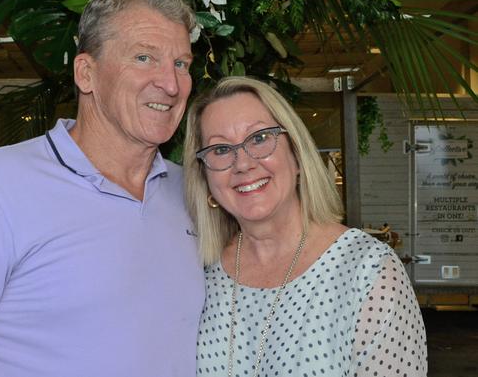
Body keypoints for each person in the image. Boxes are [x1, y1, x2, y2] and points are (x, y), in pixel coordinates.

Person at [0, 0, 205, 377]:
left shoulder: (189, 192)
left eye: (181, 63)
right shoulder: (0, 186)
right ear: (86, 73)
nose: (172, 83)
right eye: (144, 58)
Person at [183, 76, 427, 377]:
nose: (243, 164)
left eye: (259, 138)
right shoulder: (201, 275)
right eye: (220, 150)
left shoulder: (367, 271)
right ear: (206, 177)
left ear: (296, 155)